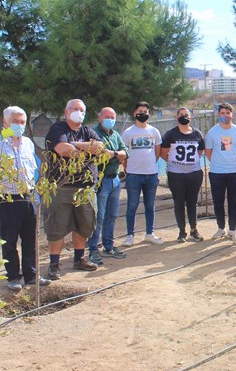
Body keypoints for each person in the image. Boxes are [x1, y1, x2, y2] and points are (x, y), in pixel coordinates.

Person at [0, 106, 50, 290]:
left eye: (22, 122)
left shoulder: (28, 143)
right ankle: (13, 277)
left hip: (29, 197)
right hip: (7, 199)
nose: (19, 125)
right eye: (15, 121)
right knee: (9, 239)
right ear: (5, 121)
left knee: (31, 238)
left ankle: (32, 275)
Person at [44, 99, 104, 279]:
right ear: (66, 111)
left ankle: (80, 258)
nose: (79, 112)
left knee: (84, 225)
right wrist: (86, 147)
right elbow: (63, 149)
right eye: (75, 109)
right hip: (62, 188)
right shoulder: (58, 129)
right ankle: (54, 264)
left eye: (82, 110)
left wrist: (77, 144)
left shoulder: (88, 130)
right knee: (57, 227)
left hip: (85, 189)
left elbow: (99, 147)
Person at [87, 107, 129, 266]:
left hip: (115, 179)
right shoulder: (94, 134)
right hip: (101, 180)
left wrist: (116, 154)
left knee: (112, 215)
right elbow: (101, 154)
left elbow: (125, 152)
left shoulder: (116, 134)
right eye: (107, 116)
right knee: (99, 216)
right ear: (100, 117)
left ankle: (108, 246)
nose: (110, 119)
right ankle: (93, 249)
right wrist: (116, 154)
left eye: (113, 117)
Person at [122, 101, 164, 246]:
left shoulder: (154, 131)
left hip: (151, 174)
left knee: (150, 205)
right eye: (140, 111)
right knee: (132, 206)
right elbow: (124, 154)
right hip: (133, 175)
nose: (143, 114)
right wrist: (129, 168)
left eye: (146, 111)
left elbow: (157, 152)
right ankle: (130, 235)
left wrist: (150, 164)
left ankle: (149, 233)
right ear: (135, 113)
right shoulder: (128, 133)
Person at [160, 107, 205, 243]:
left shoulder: (197, 134)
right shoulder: (170, 134)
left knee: (192, 202)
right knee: (179, 202)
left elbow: (200, 151)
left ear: (190, 117)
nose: (184, 116)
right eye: (181, 114)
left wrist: (189, 164)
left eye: (187, 114)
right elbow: (163, 152)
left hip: (194, 173)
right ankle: (182, 231)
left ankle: (194, 230)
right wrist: (175, 163)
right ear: (176, 117)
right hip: (176, 174)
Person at [205, 103, 236, 243]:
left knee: (233, 202)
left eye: (227, 113)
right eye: (222, 113)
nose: (225, 116)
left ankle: (232, 231)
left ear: (232, 115)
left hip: (235, 172)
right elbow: (208, 152)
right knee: (218, 201)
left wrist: (231, 162)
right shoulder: (212, 132)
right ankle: (221, 228)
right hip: (217, 173)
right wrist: (219, 163)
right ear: (218, 115)